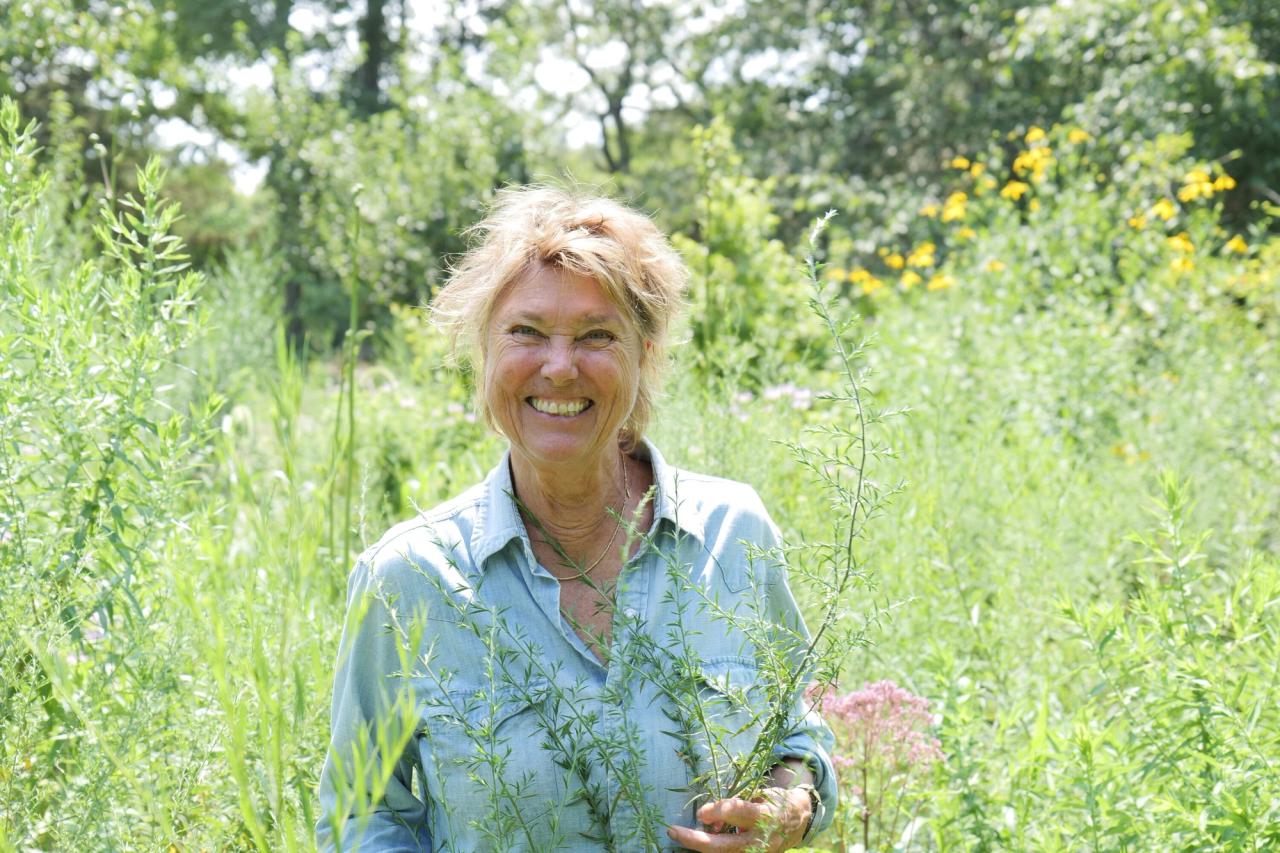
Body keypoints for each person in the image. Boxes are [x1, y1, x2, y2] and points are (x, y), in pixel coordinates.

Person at [316, 186, 837, 852]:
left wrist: (793, 801)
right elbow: (362, 816)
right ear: (484, 352)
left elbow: (798, 734)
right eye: (526, 333)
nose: (559, 368)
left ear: (644, 355)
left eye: (596, 336)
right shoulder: (407, 580)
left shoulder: (734, 533)